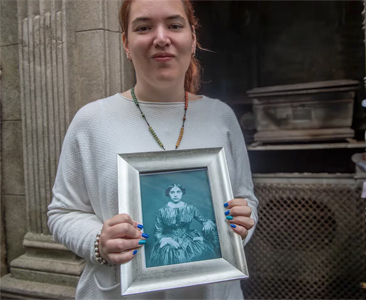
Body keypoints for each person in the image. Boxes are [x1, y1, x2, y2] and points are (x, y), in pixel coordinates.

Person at [47, 0, 258, 299]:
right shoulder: (92, 121)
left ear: (193, 38)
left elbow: (245, 199)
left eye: (174, 25)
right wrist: (98, 241)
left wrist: (240, 227)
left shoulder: (221, 117)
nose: (161, 38)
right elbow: (63, 212)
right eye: (144, 27)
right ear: (126, 43)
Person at [149, 184, 219, 267]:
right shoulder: (162, 211)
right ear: (168, 194)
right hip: (170, 241)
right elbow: (157, 233)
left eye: (178, 192)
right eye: (172, 192)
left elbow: (205, 222)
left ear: (182, 193)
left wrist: (204, 235)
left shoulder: (191, 208)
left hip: (190, 239)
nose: (175, 195)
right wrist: (169, 241)